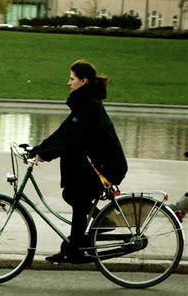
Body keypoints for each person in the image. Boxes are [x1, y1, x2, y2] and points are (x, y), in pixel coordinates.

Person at [29, 60, 128, 263]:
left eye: (72, 79)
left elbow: (72, 138)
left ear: (84, 81)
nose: (69, 83)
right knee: (74, 195)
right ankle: (80, 242)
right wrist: (38, 149)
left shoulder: (90, 106)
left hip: (106, 167)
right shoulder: (85, 103)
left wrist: (45, 154)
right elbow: (64, 132)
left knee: (77, 196)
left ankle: (81, 243)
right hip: (98, 164)